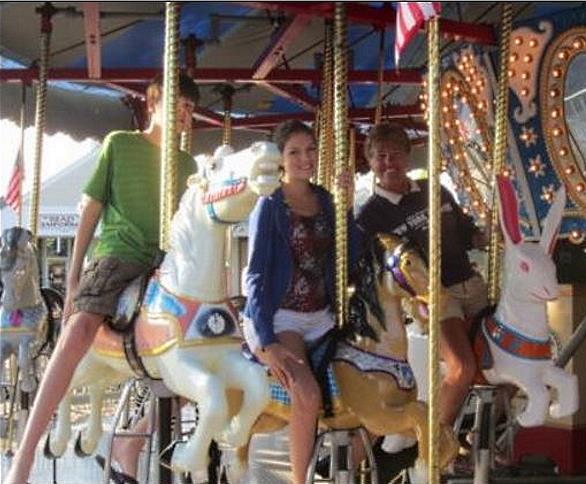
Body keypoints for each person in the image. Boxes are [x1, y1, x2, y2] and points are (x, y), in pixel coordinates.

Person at [6, 73, 200, 484]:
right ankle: (24, 458)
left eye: (190, 107)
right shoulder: (120, 144)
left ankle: (133, 438)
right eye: (178, 104)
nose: (186, 113)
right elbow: (90, 213)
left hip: (167, 265)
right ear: (153, 104)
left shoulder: (188, 164)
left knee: (208, 348)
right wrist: (74, 279)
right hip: (119, 255)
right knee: (77, 331)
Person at [356, 122, 489, 470]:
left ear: (408, 155)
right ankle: (435, 448)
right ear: (370, 162)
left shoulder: (436, 191)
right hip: (432, 297)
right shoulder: (371, 217)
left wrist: (489, 233)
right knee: (462, 367)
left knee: (498, 366)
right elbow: (369, 270)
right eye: (380, 156)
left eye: (395, 154)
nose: (389, 162)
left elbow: (468, 232)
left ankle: (480, 438)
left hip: (470, 284)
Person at [242, 120, 359, 484]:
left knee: (377, 381)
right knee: (306, 393)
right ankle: (299, 479)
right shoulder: (269, 204)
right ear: (281, 159)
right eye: (295, 152)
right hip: (283, 318)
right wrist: (267, 339)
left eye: (310, 150)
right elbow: (257, 276)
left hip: (323, 316)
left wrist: (348, 209)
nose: (305, 158)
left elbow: (350, 257)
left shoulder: (325, 200)